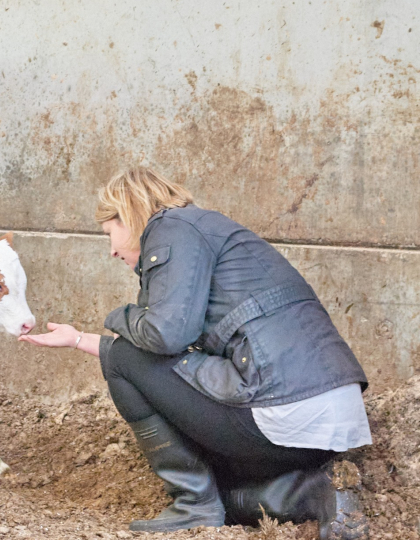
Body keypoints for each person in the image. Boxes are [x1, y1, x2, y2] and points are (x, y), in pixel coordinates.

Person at [19, 167, 371, 539]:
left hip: (282, 409)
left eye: (110, 233)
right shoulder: (210, 231)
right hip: (330, 424)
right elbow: (167, 353)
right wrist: (78, 339)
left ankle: (193, 505)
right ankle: (316, 492)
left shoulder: (172, 228)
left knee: (121, 358)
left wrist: (117, 316)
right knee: (225, 486)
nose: (111, 250)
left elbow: (164, 337)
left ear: (130, 213)